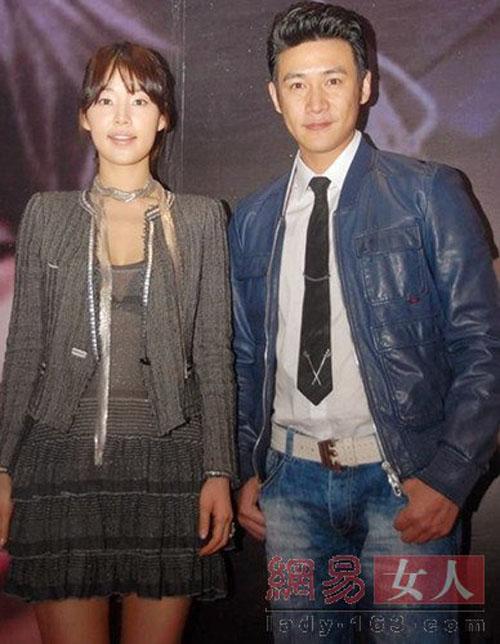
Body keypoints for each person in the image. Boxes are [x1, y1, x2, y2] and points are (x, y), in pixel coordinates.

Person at [229, 3, 500, 642]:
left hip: (404, 482)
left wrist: (450, 477)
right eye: (297, 83)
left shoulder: (429, 192)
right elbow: (245, 355)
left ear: (366, 85)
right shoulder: (253, 218)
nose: (316, 101)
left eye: (334, 79)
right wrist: (247, 466)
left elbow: (483, 345)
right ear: (274, 96)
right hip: (288, 489)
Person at [0, 42, 236, 644]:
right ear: (84, 116)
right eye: (105, 100)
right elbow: (23, 350)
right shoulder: (47, 215)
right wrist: (1, 466)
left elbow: (214, 355)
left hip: (169, 465)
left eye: (139, 100)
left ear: (164, 115)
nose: (122, 117)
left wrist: (218, 470)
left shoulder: (201, 219)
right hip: (59, 463)